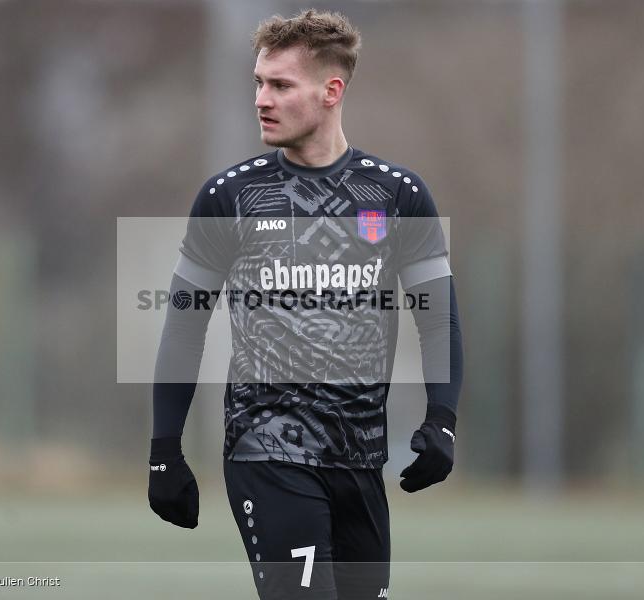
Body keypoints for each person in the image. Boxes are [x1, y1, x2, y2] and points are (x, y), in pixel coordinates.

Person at [147, 9, 463, 599]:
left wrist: (441, 421)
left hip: (361, 459)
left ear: (331, 91)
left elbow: (438, 318)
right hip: (266, 449)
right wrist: (165, 450)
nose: (261, 99)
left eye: (281, 85)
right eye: (258, 82)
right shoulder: (229, 197)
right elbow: (185, 326)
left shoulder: (397, 195)